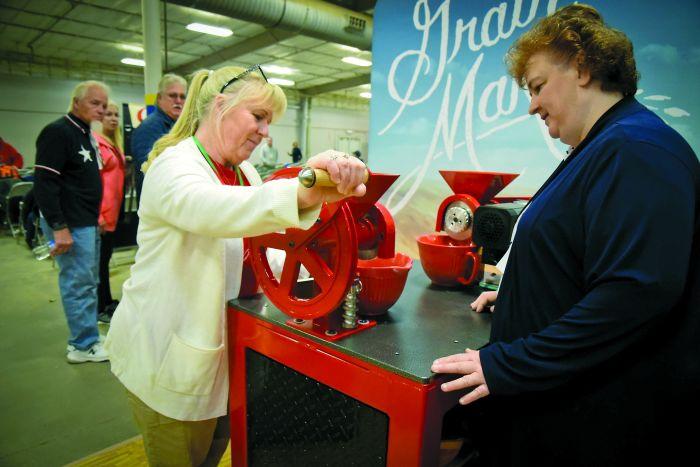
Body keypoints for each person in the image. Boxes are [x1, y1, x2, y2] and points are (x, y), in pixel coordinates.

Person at [431, 4, 700, 466]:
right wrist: (524, 291)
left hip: (593, 428)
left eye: (537, 87)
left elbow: (634, 293)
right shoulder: (599, 148)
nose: (531, 105)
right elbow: (587, 256)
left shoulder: (637, 150)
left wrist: (508, 365)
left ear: (582, 67)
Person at [104, 64, 367, 466]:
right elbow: (217, 210)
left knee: (211, 456)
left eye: (268, 121)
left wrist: (323, 265)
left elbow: (261, 246)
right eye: (258, 116)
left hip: (226, 358)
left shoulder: (242, 172)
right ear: (220, 106)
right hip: (168, 361)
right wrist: (305, 187)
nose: (265, 131)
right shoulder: (172, 167)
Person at [34, 80, 110, 363]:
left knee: (89, 281)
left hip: (86, 221)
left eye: (104, 105)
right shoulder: (58, 132)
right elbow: (45, 182)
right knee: (78, 283)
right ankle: (82, 345)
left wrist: (95, 216)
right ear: (76, 102)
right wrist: (58, 227)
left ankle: (88, 334)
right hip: (70, 224)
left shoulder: (85, 133)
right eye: (95, 103)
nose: (101, 109)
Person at [131, 73, 187, 201]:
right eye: (172, 95)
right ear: (159, 98)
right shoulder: (149, 128)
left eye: (182, 96)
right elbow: (148, 168)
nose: (178, 101)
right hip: (156, 201)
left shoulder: (176, 127)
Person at [94, 101, 126, 324]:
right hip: (102, 215)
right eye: (108, 114)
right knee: (98, 264)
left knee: (104, 261)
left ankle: (106, 301)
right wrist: (99, 216)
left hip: (113, 214)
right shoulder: (95, 143)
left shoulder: (113, 143)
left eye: (116, 115)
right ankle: (99, 307)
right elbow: (93, 182)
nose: (113, 118)